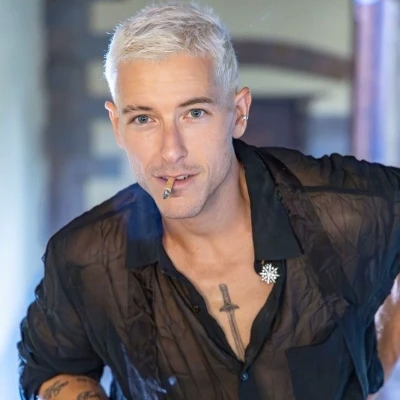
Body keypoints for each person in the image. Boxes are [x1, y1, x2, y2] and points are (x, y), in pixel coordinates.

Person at [18, 2, 400, 400]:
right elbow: (52, 367)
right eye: (144, 119)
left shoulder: (342, 208)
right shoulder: (84, 258)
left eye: (194, 113)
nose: (171, 151)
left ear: (238, 113)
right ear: (118, 126)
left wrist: (377, 364)